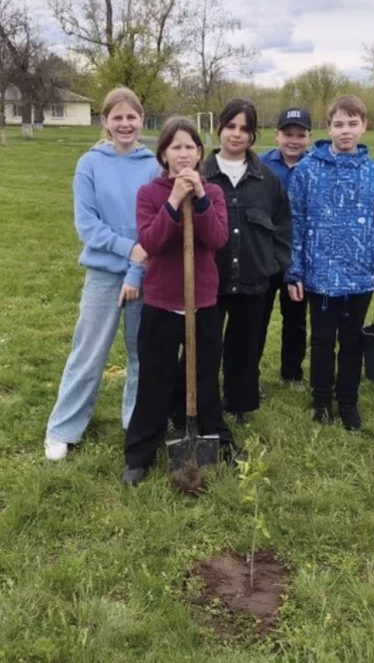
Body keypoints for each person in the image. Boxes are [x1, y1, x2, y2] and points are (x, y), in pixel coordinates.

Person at [44, 87, 159, 461]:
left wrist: (139, 264)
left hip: (146, 273)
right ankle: (63, 428)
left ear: (142, 119)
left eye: (131, 117)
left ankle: (135, 422)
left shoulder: (154, 164)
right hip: (104, 274)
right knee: (89, 351)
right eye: (117, 117)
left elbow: (159, 222)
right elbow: (87, 225)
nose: (125, 124)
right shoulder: (89, 164)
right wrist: (128, 249)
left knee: (141, 352)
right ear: (105, 122)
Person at [122, 117, 235, 486]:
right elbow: (151, 243)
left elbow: (217, 239)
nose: (183, 154)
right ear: (164, 154)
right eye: (176, 147)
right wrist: (173, 200)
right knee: (155, 378)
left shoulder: (214, 194)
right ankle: (140, 451)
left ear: (200, 153)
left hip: (202, 301)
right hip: (161, 301)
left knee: (204, 376)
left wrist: (199, 197)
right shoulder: (150, 194)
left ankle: (215, 438)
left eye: (190, 147)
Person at [286, 96, 374, 431]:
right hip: (319, 276)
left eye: (352, 124)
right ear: (328, 128)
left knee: (352, 342)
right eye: (339, 124)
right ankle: (321, 399)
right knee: (322, 340)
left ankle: (347, 401)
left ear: (364, 126)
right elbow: (295, 221)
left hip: (360, 276)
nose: (345, 131)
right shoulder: (307, 170)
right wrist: (295, 270)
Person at [202, 99, 291, 424]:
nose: (236, 135)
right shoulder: (202, 174)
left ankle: (240, 404)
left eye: (244, 129)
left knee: (246, 346)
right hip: (210, 280)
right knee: (205, 346)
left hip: (254, 278)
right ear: (219, 129)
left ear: (253, 136)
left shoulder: (267, 180)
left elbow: (283, 225)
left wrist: (274, 263)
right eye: (230, 127)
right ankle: (201, 402)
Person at [258, 107, 311, 386]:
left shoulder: (314, 166)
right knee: (257, 318)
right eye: (288, 134)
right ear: (276, 135)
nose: (293, 140)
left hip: (297, 256)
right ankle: (249, 372)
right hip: (265, 254)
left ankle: (291, 372)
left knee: (295, 319)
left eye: (300, 135)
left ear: (309, 137)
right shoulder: (261, 165)